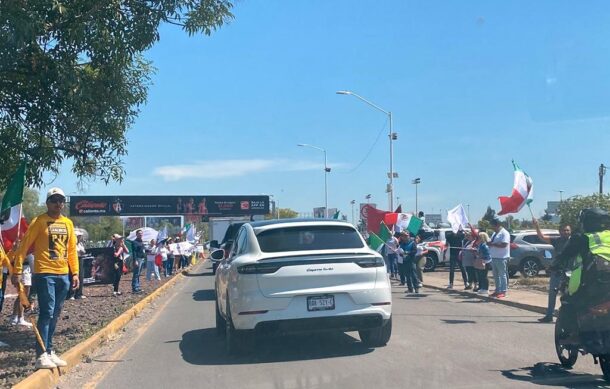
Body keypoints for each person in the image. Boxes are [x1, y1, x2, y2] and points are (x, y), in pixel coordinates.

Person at [11, 187, 79, 370]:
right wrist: (17, 270)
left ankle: (49, 350)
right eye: (54, 200)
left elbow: (71, 250)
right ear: (47, 202)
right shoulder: (39, 221)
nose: (58, 204)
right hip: (44, 273)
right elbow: (24, 246)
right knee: (46, 312)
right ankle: (40, 355)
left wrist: (75, 273)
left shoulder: (68, 223)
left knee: (56, 313)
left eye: (61, 200)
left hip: (63, 274)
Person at [533, 218, 571, 323]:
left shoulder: (574, 242)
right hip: (557, 271)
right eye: (564, 230)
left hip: (570, 273)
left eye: (568, 230)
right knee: (552, 295)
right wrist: (537, 226)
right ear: (560, 231)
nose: (566, 232)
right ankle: (549, 316)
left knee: (567, 296)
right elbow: (542, 237)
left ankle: (567, 318)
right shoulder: (557, 240)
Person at [488, 218, 510, 298]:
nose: (491, 227)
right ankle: (497, 290)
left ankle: (503, 291)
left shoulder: (504, 233)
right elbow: (492, 242)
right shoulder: (494, 233)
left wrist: (493, 244)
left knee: (502, 274)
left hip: (501, 257)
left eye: (492, 226)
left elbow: (504, 244)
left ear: (497, 225)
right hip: (493, 257)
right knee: (495, 275)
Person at [10, 253, 33, 327]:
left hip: (25, 267)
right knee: (23, 294)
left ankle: (15, 317)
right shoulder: (23, 242)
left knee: (22, 294)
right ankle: (20, 318)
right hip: (24, 267)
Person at [68, 232, 86, 300]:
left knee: (81, 276)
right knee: (72, 277)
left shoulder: (80, 244)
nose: (79, 237)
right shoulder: (72, 244)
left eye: (80, 236)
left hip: (80, 259)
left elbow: (83, 251)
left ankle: (79, 293)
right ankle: (71, 294)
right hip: (74, 260)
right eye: (78, 236)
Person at [131, 229, 145, 294]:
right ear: (136, 234)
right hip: (138, 259)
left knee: (138, 274)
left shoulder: (141, 241)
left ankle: (138, 286)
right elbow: (134, 252)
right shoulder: (134, 242)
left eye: (141, 233)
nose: (140, 234)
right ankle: (135, 288)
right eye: (139, 233)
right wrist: (135, 260)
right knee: (136, 274)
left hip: (142, 259)